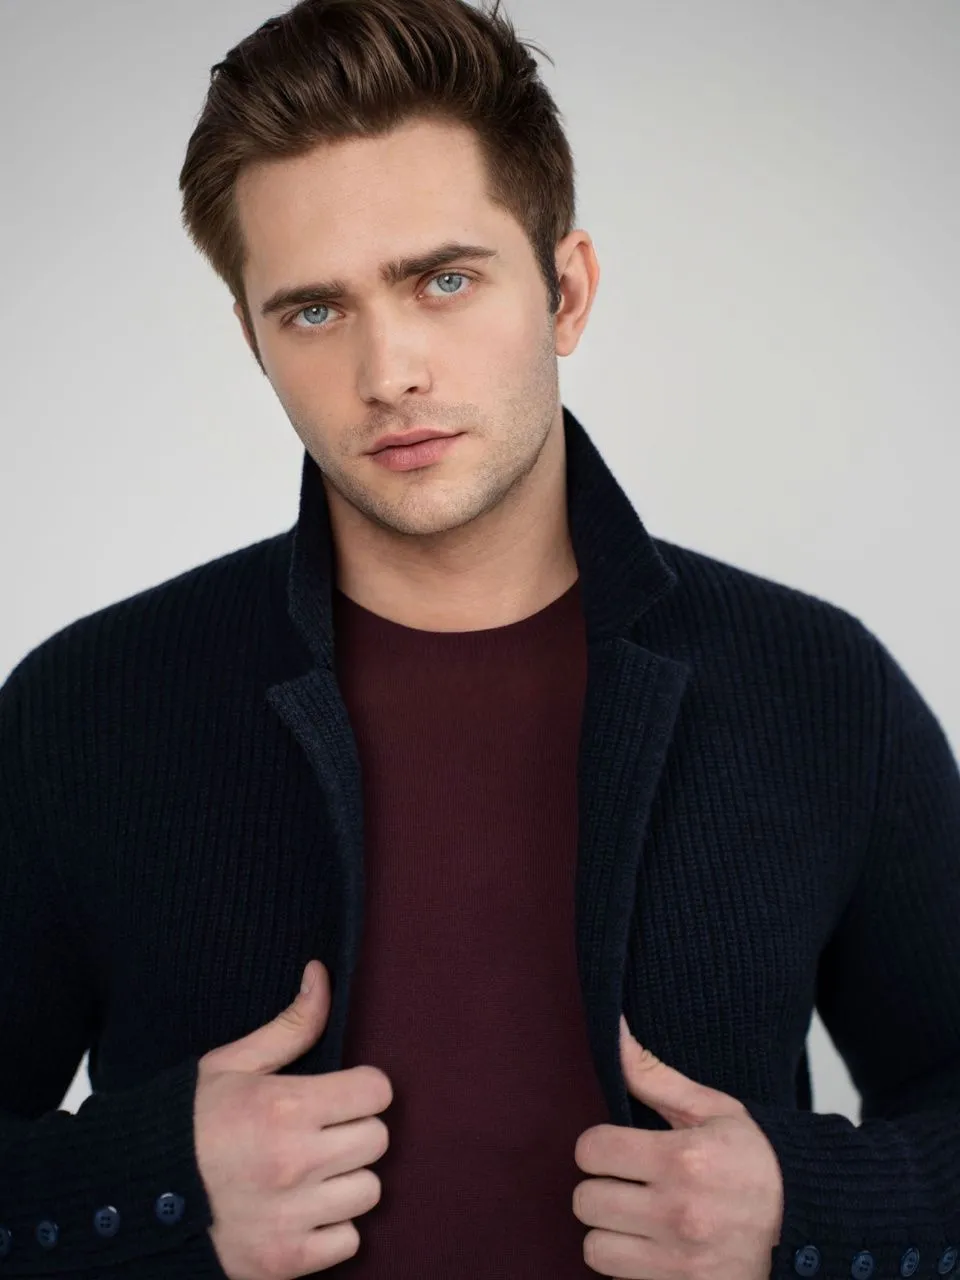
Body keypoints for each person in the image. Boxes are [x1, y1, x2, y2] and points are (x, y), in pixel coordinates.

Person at [1, 0, 959, 1277]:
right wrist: (148, 1187)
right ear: (253, 339)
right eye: (314, 310)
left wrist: (811, 1203)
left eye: (443, 280)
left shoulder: (819, 686)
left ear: (567, 290)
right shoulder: (85, 704)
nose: (389, 369)